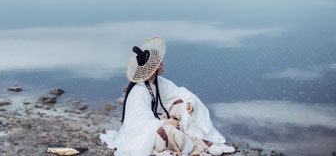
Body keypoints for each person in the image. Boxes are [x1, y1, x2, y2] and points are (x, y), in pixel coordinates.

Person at [100, 37, 235, 156]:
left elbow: (179, 92)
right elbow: (138, 124)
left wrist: (188, 102)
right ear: (153, 69)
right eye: (160, 64)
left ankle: (206, 137)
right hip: (142, 134)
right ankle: (200, 146)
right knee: (168, 131)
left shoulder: (159, 82)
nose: (163, 65)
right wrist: (164, 122)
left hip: (156, 119)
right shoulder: (138, 91)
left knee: (183, 105)